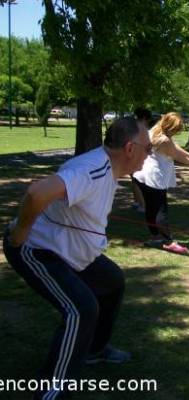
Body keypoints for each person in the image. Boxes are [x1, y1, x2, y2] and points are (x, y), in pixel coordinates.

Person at [2, 117, 150, 399]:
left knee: (112, 281)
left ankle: (94, 350)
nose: (149, 154)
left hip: (70, 252)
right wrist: (20, 231)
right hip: (36, 249)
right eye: (148, 148)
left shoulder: (109, 171)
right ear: (130, 148)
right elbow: (37, 192)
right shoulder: (91, 169)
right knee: (81, 309)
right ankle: (51, 392)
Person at [132, 112, 189, 254]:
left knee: (151, 208)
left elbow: (176, 148)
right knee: (160, 209)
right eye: (176, 129)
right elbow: (176, 155)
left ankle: (155, 237)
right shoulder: (163, 140)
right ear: (169, 127)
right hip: (153, 178)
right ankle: (168, 241)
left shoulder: (154, 131)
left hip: (142, 175)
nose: (177, 132)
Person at [129, 107, 153, 213]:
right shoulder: (141, 128)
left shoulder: (132, 125)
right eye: (148, 120)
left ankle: (136, 202)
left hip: (130, 154)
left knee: (134, 180)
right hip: (137, 156)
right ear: (144, 118)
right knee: (138, 181)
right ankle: (142, 205)